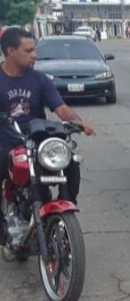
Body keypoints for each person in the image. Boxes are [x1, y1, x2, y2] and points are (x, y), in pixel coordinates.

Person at [0, 27, 95, 207]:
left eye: (34, 49)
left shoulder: (40, 79)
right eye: (28, 51)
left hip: (36, 141)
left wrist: (79, 122)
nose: (34, 55)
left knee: (70, 161)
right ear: (10, 52)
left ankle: (66, 208)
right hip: (5, 143)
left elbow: (61, 108)